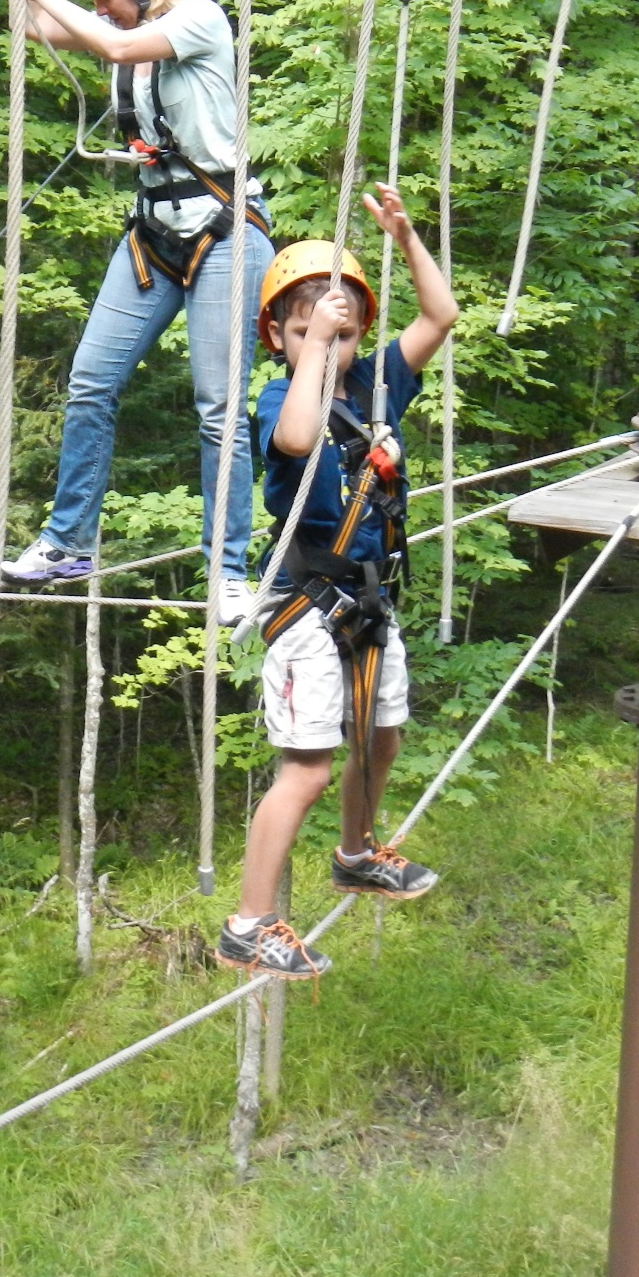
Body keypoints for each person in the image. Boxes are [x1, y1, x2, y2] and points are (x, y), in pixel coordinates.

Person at [0, 0, 275, 626]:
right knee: (90, 382)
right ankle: (68, 543)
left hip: (225, 230)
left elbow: (114, 43)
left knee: (219, 410)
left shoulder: (199, 20)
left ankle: (228, 573)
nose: (103, 11)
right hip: (154, 234)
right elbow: (29, 21)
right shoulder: (122, 32)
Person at [216, 185, 459, 980]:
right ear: (278, 337)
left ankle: (356, 853)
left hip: (369, 600)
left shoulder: (376, 385)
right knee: (309, 767)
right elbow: (295, 438)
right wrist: (317, 345)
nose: (329, 342)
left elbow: (441, 317)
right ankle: (249, 923)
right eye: (305, 330)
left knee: (382, 736)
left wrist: (407, 237)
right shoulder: (279, 396)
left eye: (346, 332)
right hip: (308, 605)